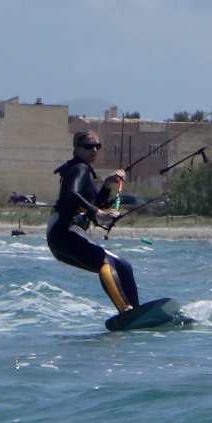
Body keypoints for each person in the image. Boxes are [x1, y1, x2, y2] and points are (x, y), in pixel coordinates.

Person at [47, 130, 139, 313]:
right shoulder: (80, 169)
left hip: (61, 238)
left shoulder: (79, 170)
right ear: (76, 148)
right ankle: (126, 310)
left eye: (98, 146)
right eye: (88, 146)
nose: (94, 150)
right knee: (107, 263)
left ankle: (135, 313)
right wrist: (100, 213)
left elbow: (92, 203)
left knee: (122, 265)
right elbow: (71, 195)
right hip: (65, 232)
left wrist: (107, 184)